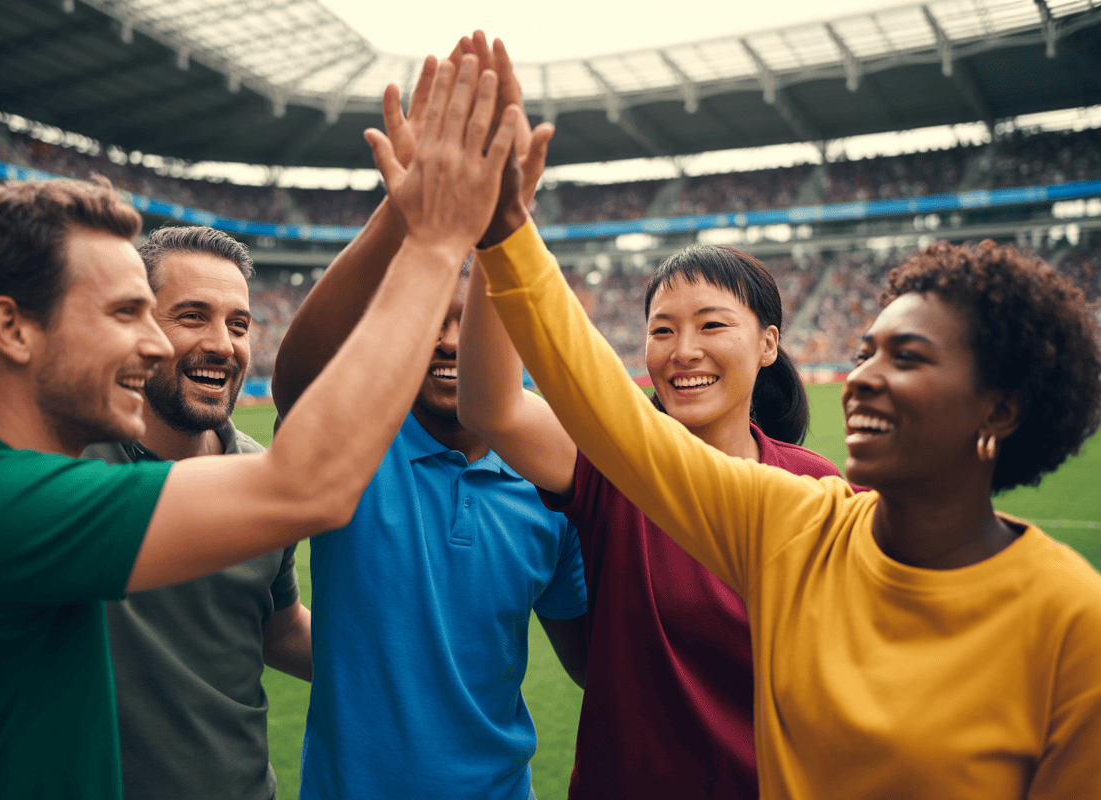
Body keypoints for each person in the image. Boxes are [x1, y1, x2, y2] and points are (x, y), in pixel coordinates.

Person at [0, 53, 521, 800]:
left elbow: (272, 617)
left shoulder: (3, 489)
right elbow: (310, 484)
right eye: (126, 313)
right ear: (13, 329)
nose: (156, 343)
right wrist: (431, 241)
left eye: (234, 321)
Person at [468, 119, 1101, 797]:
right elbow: (601, 407)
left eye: (907, 356)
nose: (862, 379)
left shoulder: (1071, 622)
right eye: (865, 354)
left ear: (1000, 409)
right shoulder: (793, 518)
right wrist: (506, 232)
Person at [271, 35, 588, 800]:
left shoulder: (552, 478)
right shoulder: (359, 438)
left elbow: (592, 659)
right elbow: (299, 380)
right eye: (432, 319)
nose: (449, 340)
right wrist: (406, 216)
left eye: (470, 320)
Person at [457, 242, 841, 798]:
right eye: (662, 331)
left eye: (711, 326)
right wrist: (497, 235)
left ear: (768, 343)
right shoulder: (613, 467)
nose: (683, 351)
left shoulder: (818, 485)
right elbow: (493, 408)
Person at [81, 225, 310, 800]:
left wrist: (414, 667)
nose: (223, 344)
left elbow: (279, 631)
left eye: (238, 325)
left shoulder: (261, 474)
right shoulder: (66, 461)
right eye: (192, 316)